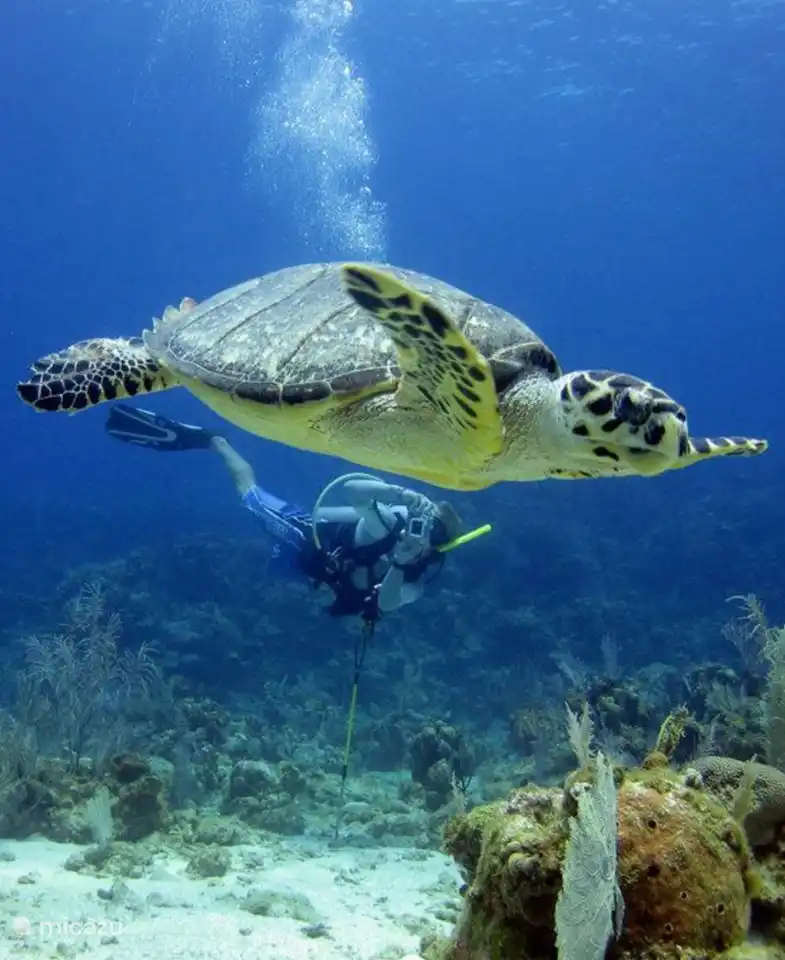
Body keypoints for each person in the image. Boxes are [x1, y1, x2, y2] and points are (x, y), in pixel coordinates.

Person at [105, 403, 463, 624]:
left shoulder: (416, 578)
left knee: (276, 567)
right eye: (422, 524)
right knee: (251, 499)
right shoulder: (391, 522)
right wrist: (401, 494)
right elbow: (354, 492)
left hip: (313, 572)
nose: (417, 534)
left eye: (428, 535)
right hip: (306, 535)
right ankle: (214, 441)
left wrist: (401, 563)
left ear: (435, 549)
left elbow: (389, 602)